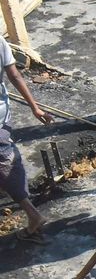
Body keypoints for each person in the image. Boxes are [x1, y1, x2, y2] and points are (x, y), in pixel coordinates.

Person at [0, 35, 55, 243]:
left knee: (6, 164)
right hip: (2, 114)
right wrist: (35, 108)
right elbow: (14, 75)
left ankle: (33, 214)